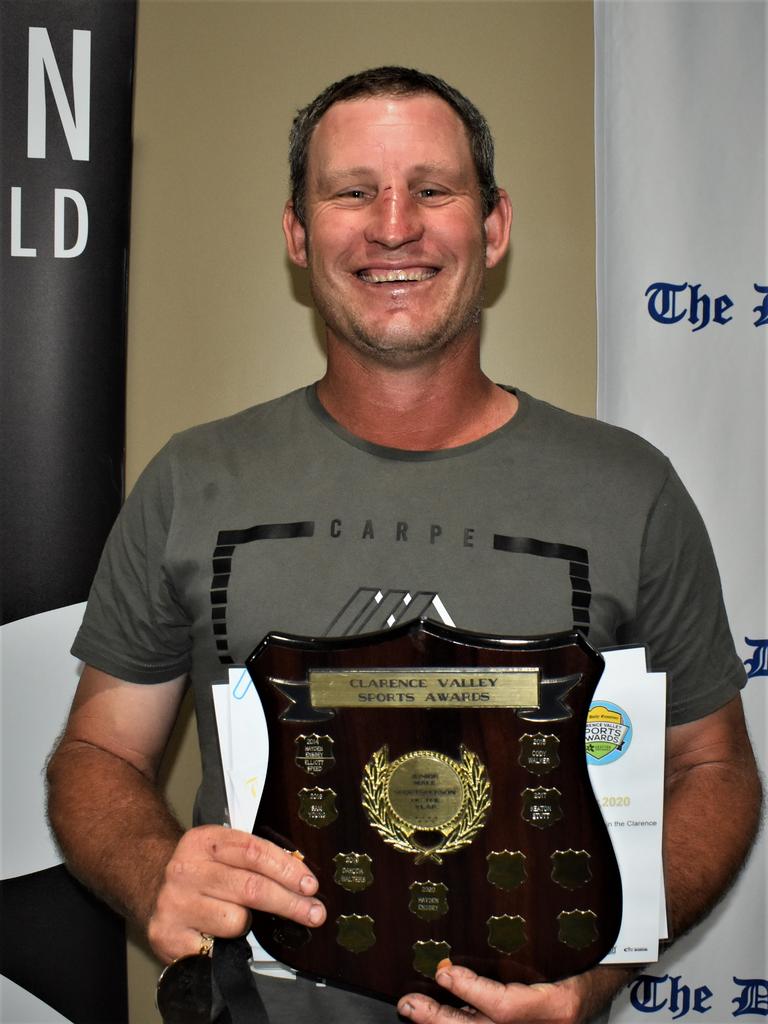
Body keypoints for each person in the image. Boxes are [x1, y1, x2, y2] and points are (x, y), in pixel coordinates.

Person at [47, 67, 761, 1024]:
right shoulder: (192, 480)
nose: (394, 226)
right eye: (352, 192)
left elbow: (712, 770)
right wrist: (153, 874)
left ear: (494, 225)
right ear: (299, 234)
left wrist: (591, 973)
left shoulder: (629, 489)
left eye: (433, 188)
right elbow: (98, 752)